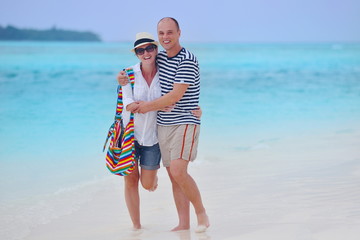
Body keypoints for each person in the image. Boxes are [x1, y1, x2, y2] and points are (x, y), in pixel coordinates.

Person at [124, 17, 210, 233]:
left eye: (170, 32)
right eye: (161, 33)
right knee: (174, 176)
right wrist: (121, 78)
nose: (165, 37)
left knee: (180, 172)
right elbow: (141, 65)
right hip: (163, 125)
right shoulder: (160, 58)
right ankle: (183, 223)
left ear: (179, 32)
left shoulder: (187, 59)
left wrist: (145, 106)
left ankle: (201, 213)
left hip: (184, 121)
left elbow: (175, 95)